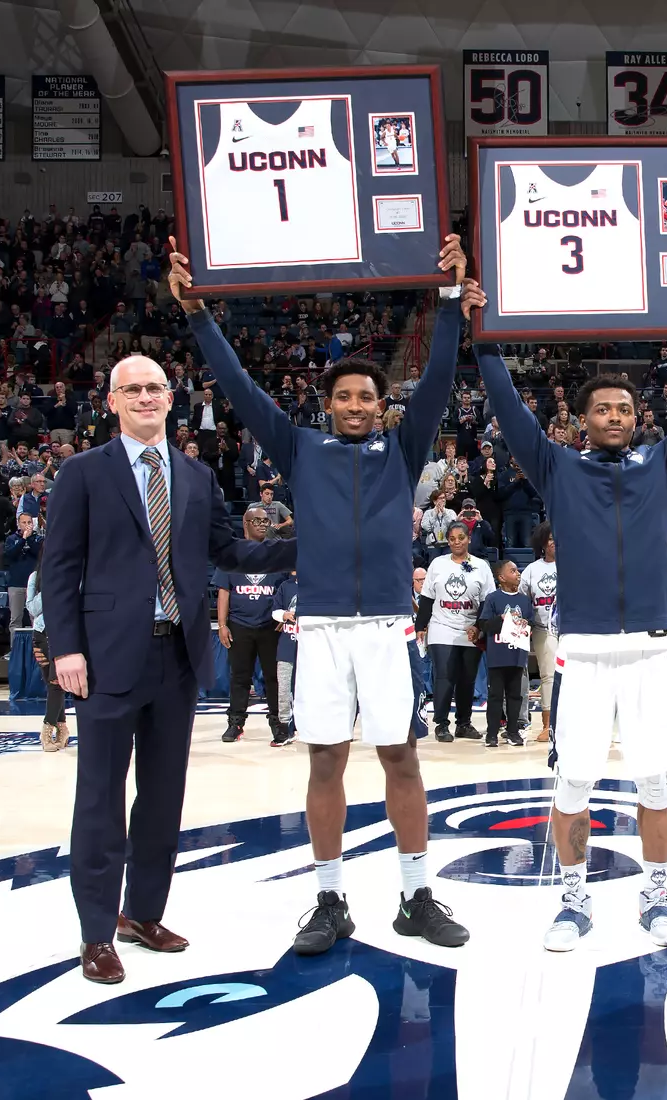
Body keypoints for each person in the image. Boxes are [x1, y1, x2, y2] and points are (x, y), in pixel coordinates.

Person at [169, 234, 473, 959]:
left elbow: (437, 378)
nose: (356, 405)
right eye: (343, 397)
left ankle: (415, 894)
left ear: (382, 405)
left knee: (402, 759)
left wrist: (451, 300)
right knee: (325, 763)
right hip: (325, 629)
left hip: (389, 629)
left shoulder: (403, 448)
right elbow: (240, 388)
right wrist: (199, 317)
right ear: (328, 404)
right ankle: (330, 898)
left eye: (367, 396)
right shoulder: (300, 447)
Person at [472, 273, 667, 953]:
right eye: (604, 410)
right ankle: (573, 899)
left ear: (637, 417)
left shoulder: (662, 464)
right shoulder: (558, 468)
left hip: (652, 653)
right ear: (583, 419)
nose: (616, 417)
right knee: (572, 783)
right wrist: (482, 339)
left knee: (655, 781)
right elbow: (508, 408)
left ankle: (656, 894)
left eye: (625, 409)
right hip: (584, 655)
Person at [41, 349, 298, 985]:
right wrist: (66, 647)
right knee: (99, 799)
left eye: (156, 387)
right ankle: (96, 933)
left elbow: (228, 549)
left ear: (171, 397)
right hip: (102, 657)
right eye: (133, 390)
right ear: (112, 402)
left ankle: (143, 914)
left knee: (162, 797)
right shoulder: (81, 472)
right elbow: (59, 566)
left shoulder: (195, 475)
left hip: (176, 654)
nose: (147, 398)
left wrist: (305, 544)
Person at [215, 507, 290, 745]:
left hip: (270, 626)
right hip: (239, 625)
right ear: (245, 523)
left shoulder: (275, 553)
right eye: (257, 520)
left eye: (266, 521)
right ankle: (235, 723)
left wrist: (282, 616)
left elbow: (286, 588)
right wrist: (222, 624)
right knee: (240, 677)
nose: (262, 524)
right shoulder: (232, 554)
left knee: (273, 678)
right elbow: (224, 591)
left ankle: (278, 725)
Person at [419, 521, 495, 741]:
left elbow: (487, 601)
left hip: (470, 630)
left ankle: (464, 723)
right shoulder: (437, 564)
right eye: (452, 539)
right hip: (441, 627)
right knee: (444, 675)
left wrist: (478, 627)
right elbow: (427, 598)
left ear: (468, 538)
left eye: (460, 538)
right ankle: (441, 724)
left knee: (467, 679)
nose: (456, 542)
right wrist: (420, 626)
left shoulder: (481, 566)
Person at [476, 559, 534, 747]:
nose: (518, 573)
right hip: (497, 655)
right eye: (513, 570)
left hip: (517, 655)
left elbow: (530, 623)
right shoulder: (493, 598)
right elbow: (484, 624)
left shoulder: (525, 600)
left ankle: (513, 731)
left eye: (517, 570)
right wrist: (500, 619)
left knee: (515, 695)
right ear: (501, 577)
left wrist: (528, 628)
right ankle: (492, 733)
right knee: (495, 696)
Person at [26, 548, 70, 752]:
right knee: (53, 684)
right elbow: (32, 609)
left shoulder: (71, 573)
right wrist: (50, 587)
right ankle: (61, 728)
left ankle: (46, 730)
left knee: (57, 683)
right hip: (42, 633)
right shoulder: (35, 578)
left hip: (63, 631)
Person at [519, 522, 558, 743]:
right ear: (542, 543)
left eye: (556, 538)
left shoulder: (572, 565)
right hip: (543, 629)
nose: (553, 542)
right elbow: (523, 601)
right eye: (549, 539)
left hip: (571, 629)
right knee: (548, 676)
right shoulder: (532, 570)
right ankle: (548, 724)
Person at [270, 571, 299, 745]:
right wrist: (284, 615)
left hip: (310, 649)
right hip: (287, 646)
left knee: (308, 690)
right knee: (284, 689)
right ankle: (284, 728)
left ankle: (306, 725)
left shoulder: (317, 586)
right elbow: (275, 611)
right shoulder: (286, 586)